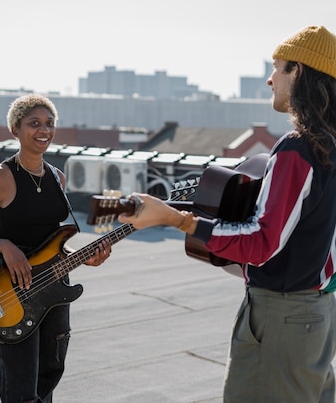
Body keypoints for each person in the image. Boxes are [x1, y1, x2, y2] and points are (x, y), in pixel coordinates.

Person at [119, 25, 336, 403]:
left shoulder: (296, 149)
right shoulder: (330, 147)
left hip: (280, 317)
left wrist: (174, 218)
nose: (270, 79)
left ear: (298, 72)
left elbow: (262, 243)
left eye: (277, 67)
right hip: (318, 314)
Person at [0, 94, 111, 403]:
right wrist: (4, 245)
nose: (44, 130)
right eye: (34, 123)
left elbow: (52, 245)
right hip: (11, 293)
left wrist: (86, 259)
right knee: (21, 390)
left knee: (47, 382)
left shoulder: (58, 177)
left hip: (54, 290)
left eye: (50, 124)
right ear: (15, 129)